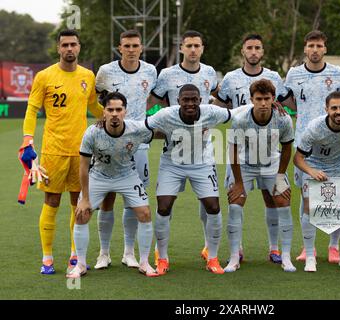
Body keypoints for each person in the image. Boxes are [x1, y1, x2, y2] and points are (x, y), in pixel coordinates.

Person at [146, 84, 258, 277]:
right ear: (178, 101)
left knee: (213, 207)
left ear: (200, 100)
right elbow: (143, 126)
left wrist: (263, 105)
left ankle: (212, 257)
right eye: (185, 100)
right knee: (163, 206)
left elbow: (234, 112)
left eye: (194, 99)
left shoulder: (211, 112)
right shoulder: (166, 115)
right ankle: (162, 258)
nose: (190, 103)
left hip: (202, 164)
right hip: (172, 164)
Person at [20, 29, 104, 274]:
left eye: (73, 44)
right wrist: (27, 140)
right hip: (53, 151)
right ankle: (47, 258)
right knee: (52, 201)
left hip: (81, 152)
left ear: (79, 47)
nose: (69, 49)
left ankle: (74, 255)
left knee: (77, 203)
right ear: (58, 48)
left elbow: (93, 106)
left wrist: (112, 117)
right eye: (65, 45)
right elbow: (32, 109)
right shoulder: (44, 76)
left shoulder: (88, 75)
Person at [215, 34, 289, 264]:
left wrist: (274, 108)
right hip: (241, 149)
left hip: (268, 150)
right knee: (236, 199)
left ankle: (275, 249)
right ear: (243, 51)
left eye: (258, 47)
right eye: (250, 47)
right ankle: (236, 251)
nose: (254, 51)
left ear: (262, 51)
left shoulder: (274, 77)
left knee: (273, 198)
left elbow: (283, 106)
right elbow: (220, 105)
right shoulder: (230, 77)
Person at [66, 92, 155, 278]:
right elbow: (83, 167)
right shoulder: (92, 132)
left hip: (127, 175)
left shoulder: (137, 129)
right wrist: (85, 199)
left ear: (125, 111)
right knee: (81, 215)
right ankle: (81, 264)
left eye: (119, 109)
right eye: (110, 109)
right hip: (99, 176)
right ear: (103, 112)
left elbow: (158, 130)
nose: (115, 113)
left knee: (145, 213)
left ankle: (144, 262)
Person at [150, 30, 218, 262]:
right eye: (188, 45)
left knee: (208, 201)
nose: (192, 50)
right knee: (165, 203)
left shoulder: (209, 72)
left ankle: (209, 246)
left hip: (203, 150)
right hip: (174, 151)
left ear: (202, 48)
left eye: (196, 46)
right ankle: (161, 251)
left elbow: (215, 100)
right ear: (181, 48)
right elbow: (156, 102)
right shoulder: (167, 74)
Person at [280, 30, 340, 263]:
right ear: (305, 49)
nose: (315, 50)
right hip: (304, 144)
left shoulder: (337, 73)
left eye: (319, 45)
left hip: (333, 143)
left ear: (325, 48)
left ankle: (334, 246)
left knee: (334, 195)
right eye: (311, 46)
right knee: (305, 194)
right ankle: (308, 248)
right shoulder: (294, 74)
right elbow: (287, 100)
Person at [94, 30, 157, 269]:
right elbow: (99, 98)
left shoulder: (150, 71)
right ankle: (104, 253)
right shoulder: (105, 71)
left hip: (138, 143)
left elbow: (152, 97)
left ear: (141, 48)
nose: (131, 49)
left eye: (135, 46)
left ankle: (129, 252)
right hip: (109, 142)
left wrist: (138, 118)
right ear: (119, 48)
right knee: (108, 198)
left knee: (133, 200)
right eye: (127, 46)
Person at [225, 79, 295, 272]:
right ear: (251, 100)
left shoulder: (283, 119)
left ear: (273, 99)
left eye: (266, 98)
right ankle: (234, 257)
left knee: (282, 202)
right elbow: (233, 151)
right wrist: (238, 182)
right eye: (259, 99)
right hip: (245, 165)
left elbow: (287, 148)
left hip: (271, 163)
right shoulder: (241, 120)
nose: (263, 103)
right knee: (235, 204)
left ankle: (283, 255)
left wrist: (280, 176)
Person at [293, 91, 340, 272]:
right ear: (326, 109)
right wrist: (312, 172)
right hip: (314, 165)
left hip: (339, 165)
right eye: (334, 108)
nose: (338, 112)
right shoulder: (315, 128)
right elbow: (298, 158)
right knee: (310, 207)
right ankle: (310, 256)